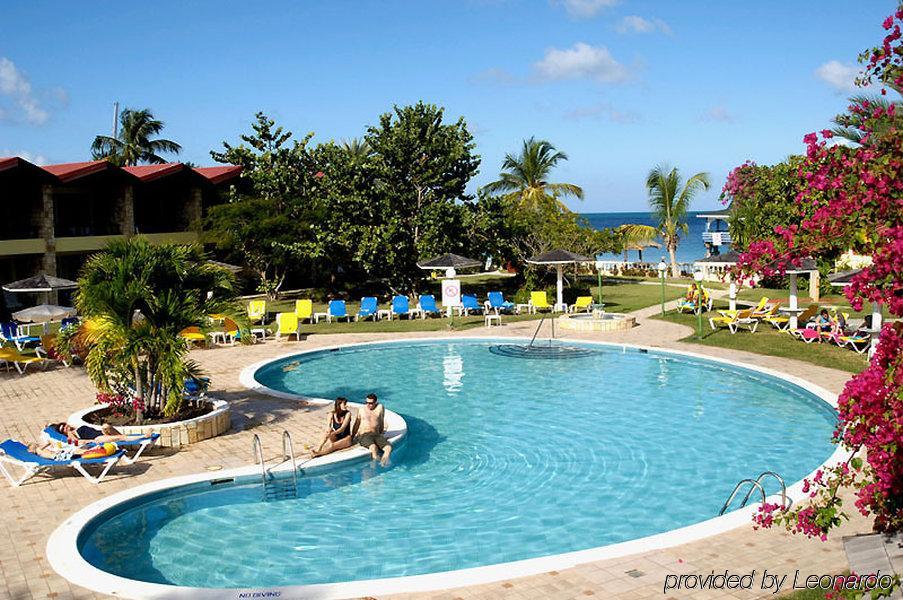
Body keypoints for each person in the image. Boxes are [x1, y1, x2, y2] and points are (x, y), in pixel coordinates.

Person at [356, 393, 392, 466]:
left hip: (376, 435)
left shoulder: (380, 408)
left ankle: (383, 463)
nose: (368, 405)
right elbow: (356, 423)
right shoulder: (362, 410)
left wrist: (381, 434)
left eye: (371, 403)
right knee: (373, 447)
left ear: (375, 402)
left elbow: (381, 421)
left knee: (388, 448)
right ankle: (374, 465)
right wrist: (353, 435)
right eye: (367, 402)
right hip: (364, 435)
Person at [50, 422, 144, 445]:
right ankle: (143, 436)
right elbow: (77, 442)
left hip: (101, 432)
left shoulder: (76, 427)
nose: (66, 427)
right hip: (98, 439)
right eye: (63, 429)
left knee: (106, 425)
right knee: (120, 438)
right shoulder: (70, 436)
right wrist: (69, 433)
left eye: (64, 425)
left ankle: (127, 442)